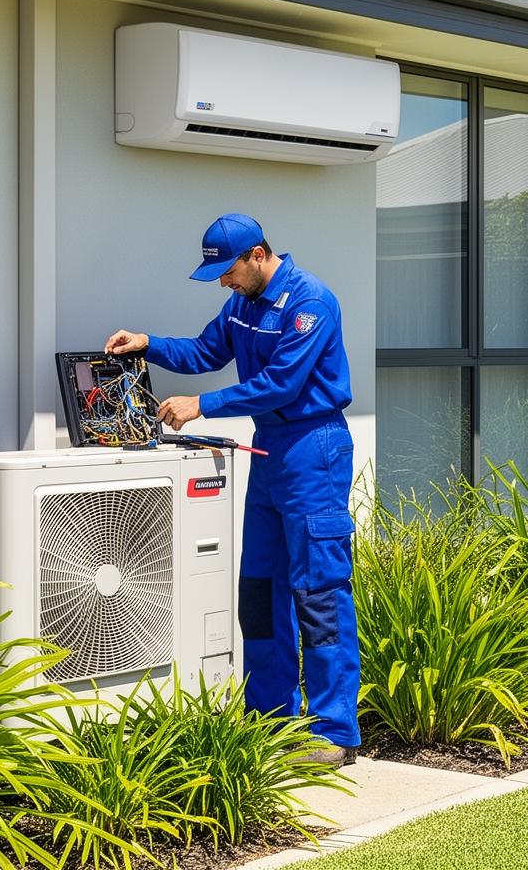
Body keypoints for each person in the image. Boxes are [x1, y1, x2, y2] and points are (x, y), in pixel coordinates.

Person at [105, 213, 360, 766]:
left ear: (258, 255)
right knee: (259, 588)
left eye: (228, 271)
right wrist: (146, 344)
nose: (223, 282)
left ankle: (334, 733)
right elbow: (203, 353)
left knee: (318, 589)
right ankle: (272, 718)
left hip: (314, 450)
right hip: (270, 452)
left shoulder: (310, 303)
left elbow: (282, 384)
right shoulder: (242, 305)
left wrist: (205, 405)